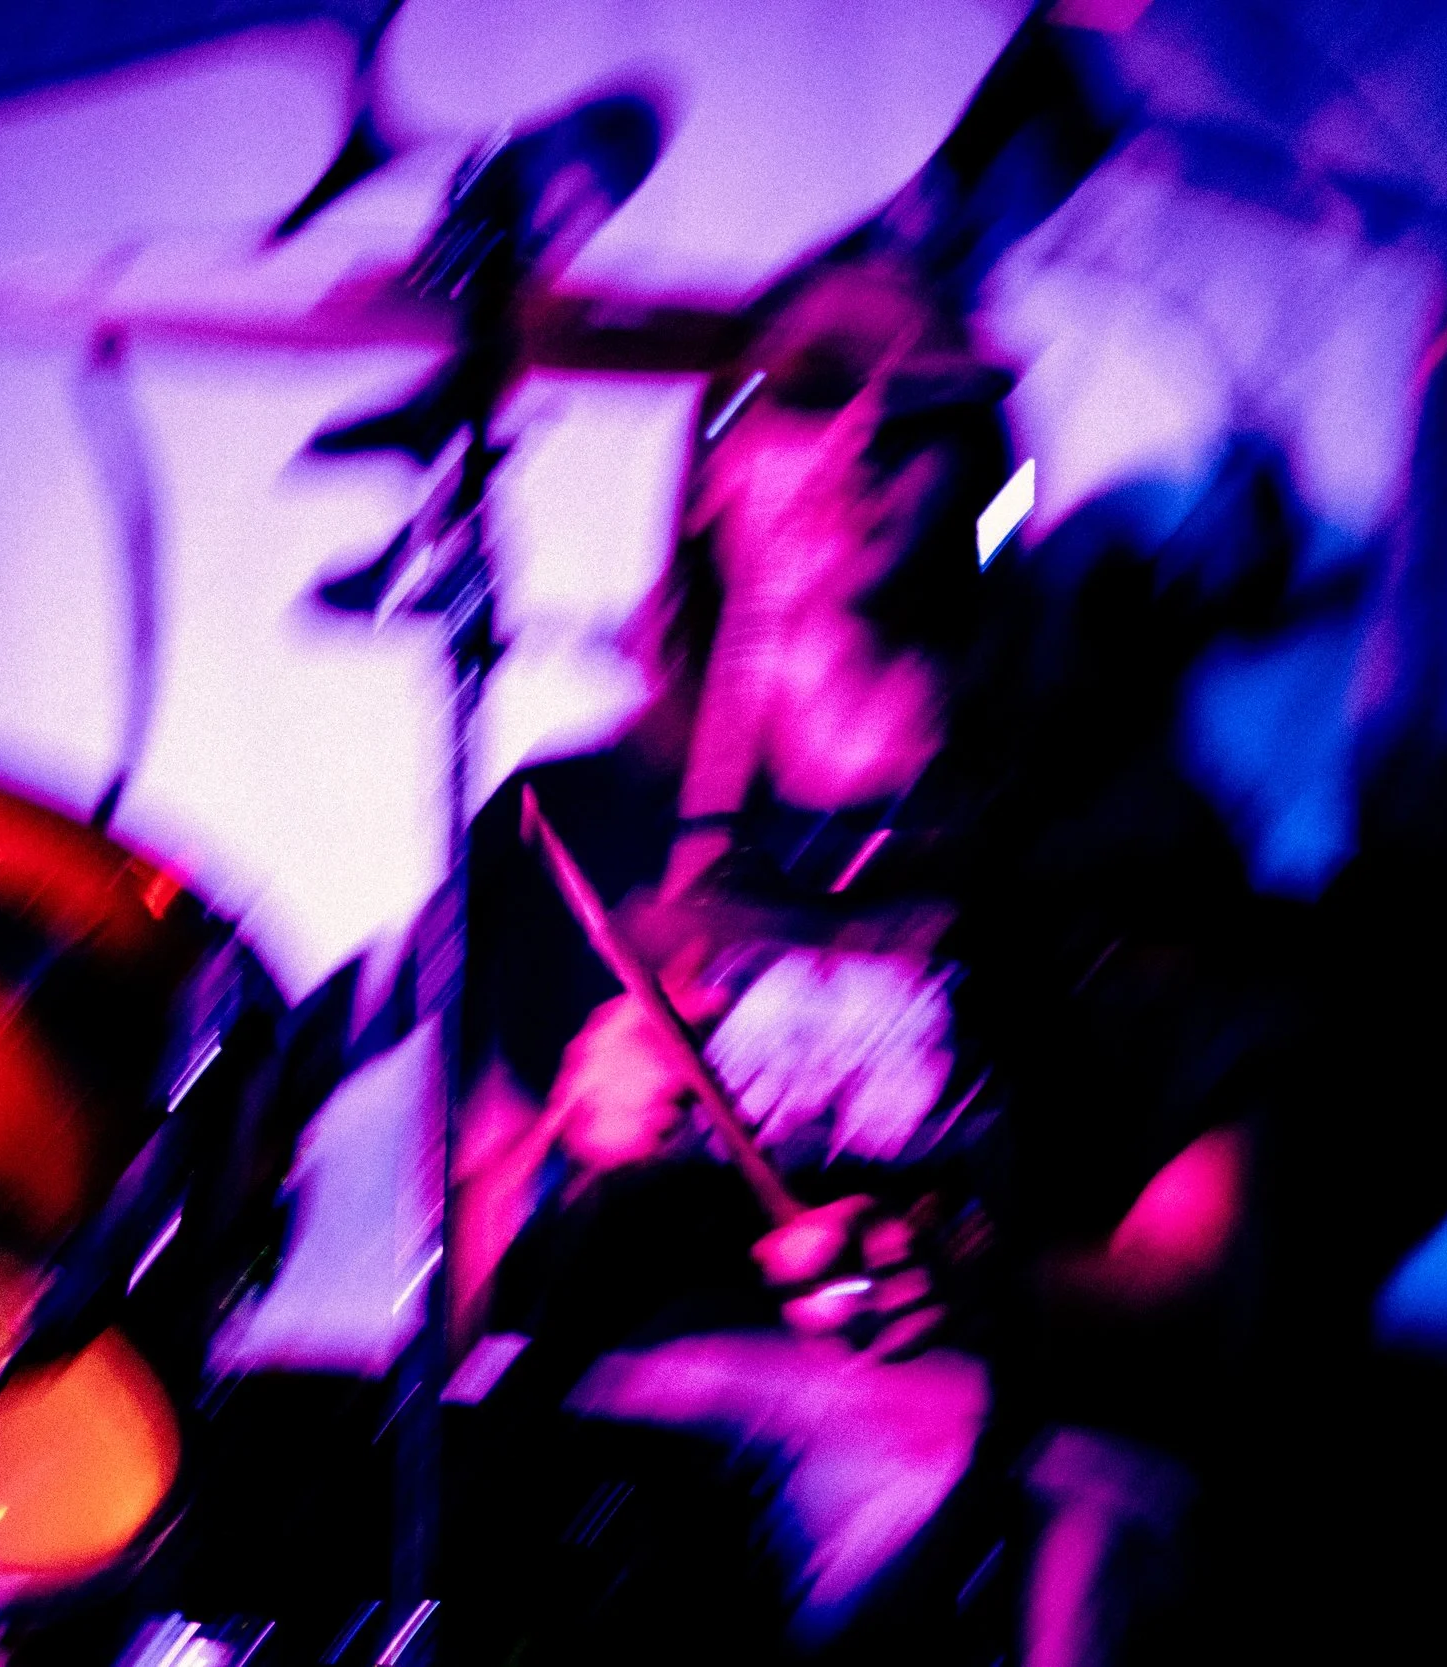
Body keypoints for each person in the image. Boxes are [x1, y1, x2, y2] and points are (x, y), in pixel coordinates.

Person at [448, 246, 1282, 1666]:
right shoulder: (567, 820)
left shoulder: (1128, 831)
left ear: (982, 488)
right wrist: (571, 1147)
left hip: (970, 1440)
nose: (858, 438)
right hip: (633, 1431)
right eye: (811, 390)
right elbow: (462, 1275)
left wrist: (979, 1287)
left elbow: (1211, 1277)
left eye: (923, 409)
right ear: (712, 472)